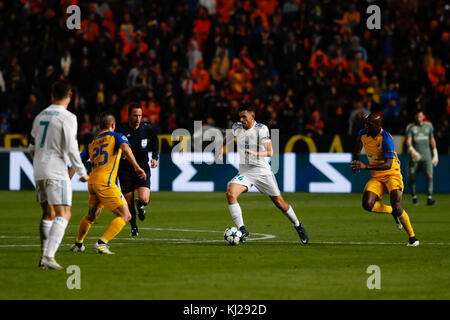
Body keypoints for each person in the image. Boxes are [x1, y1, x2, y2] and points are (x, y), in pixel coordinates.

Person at [217, 104, 309, 244]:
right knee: (230, 193)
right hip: (246, 172)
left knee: (279, 203)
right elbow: (229, 136)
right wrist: (220, 149)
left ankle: (298, 225)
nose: (242, 120)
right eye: (240, 117)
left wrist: (255, 153)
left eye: (244, 117)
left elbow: (270, 152)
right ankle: (242, 230)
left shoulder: (261, 129)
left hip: (262, 171)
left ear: (252, 116)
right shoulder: (237, 126)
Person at [28, 80, 89, 269]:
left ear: (52, 94)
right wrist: (82, 171)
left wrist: (40, 161)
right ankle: (48, 256)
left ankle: (43, 257)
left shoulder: (39, 117)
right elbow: (72, 148)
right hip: (57, 170)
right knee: (64, 213)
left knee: (48, 213)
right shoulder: (68, 117)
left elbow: (31, 147)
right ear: (70, 96)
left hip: (39, 170)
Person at [69, 112, 146, 254]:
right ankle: (101, 243)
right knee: (126, 215)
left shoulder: (92, 143)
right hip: (106, 182)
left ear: (100, 127)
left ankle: (78, 244)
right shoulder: (117, 136)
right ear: (113, 125)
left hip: (92, 182)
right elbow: (126, 148)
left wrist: (67, 180)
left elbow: (76, 161)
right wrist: (137, 167)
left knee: (92, 215)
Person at [351, 113, 419, 247]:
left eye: (369, 124)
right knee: (367, 204)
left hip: (392, 173)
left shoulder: (386, 138)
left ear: (377, 126)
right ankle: (392, 211)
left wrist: (365, 166)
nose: (366, 126)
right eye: (366, 123)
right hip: (376, 176)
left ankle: (412, 238)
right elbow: (358, 147)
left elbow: (388, 164)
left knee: (397, 204)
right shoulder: (363, 133)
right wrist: (356, 161)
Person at [116, 103, 159, 236]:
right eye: (135, 115)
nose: (138, 118)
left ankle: (140, 204)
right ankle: (134, 228)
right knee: (128, 202)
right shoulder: (121, 130)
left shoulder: (147, 129)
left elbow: (156, 141)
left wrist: (155, 157)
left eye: (140, 115)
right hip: (125, 171)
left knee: (144, 199)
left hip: (143, 169)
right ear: (129, 115)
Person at [405, 111, 439, 205]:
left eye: (420, 116)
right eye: (417, 117)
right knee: (412, 178)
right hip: (415, 157)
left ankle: (429, 198)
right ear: (415, 117)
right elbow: (408, 141)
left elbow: (432, 139)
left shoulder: (429, 126)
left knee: (429, 176)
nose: (419, 118)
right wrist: (413, 151)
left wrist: (435, 154)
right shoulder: (410, 127)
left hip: (427, 156)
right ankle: (414, 197)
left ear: (423, 116)